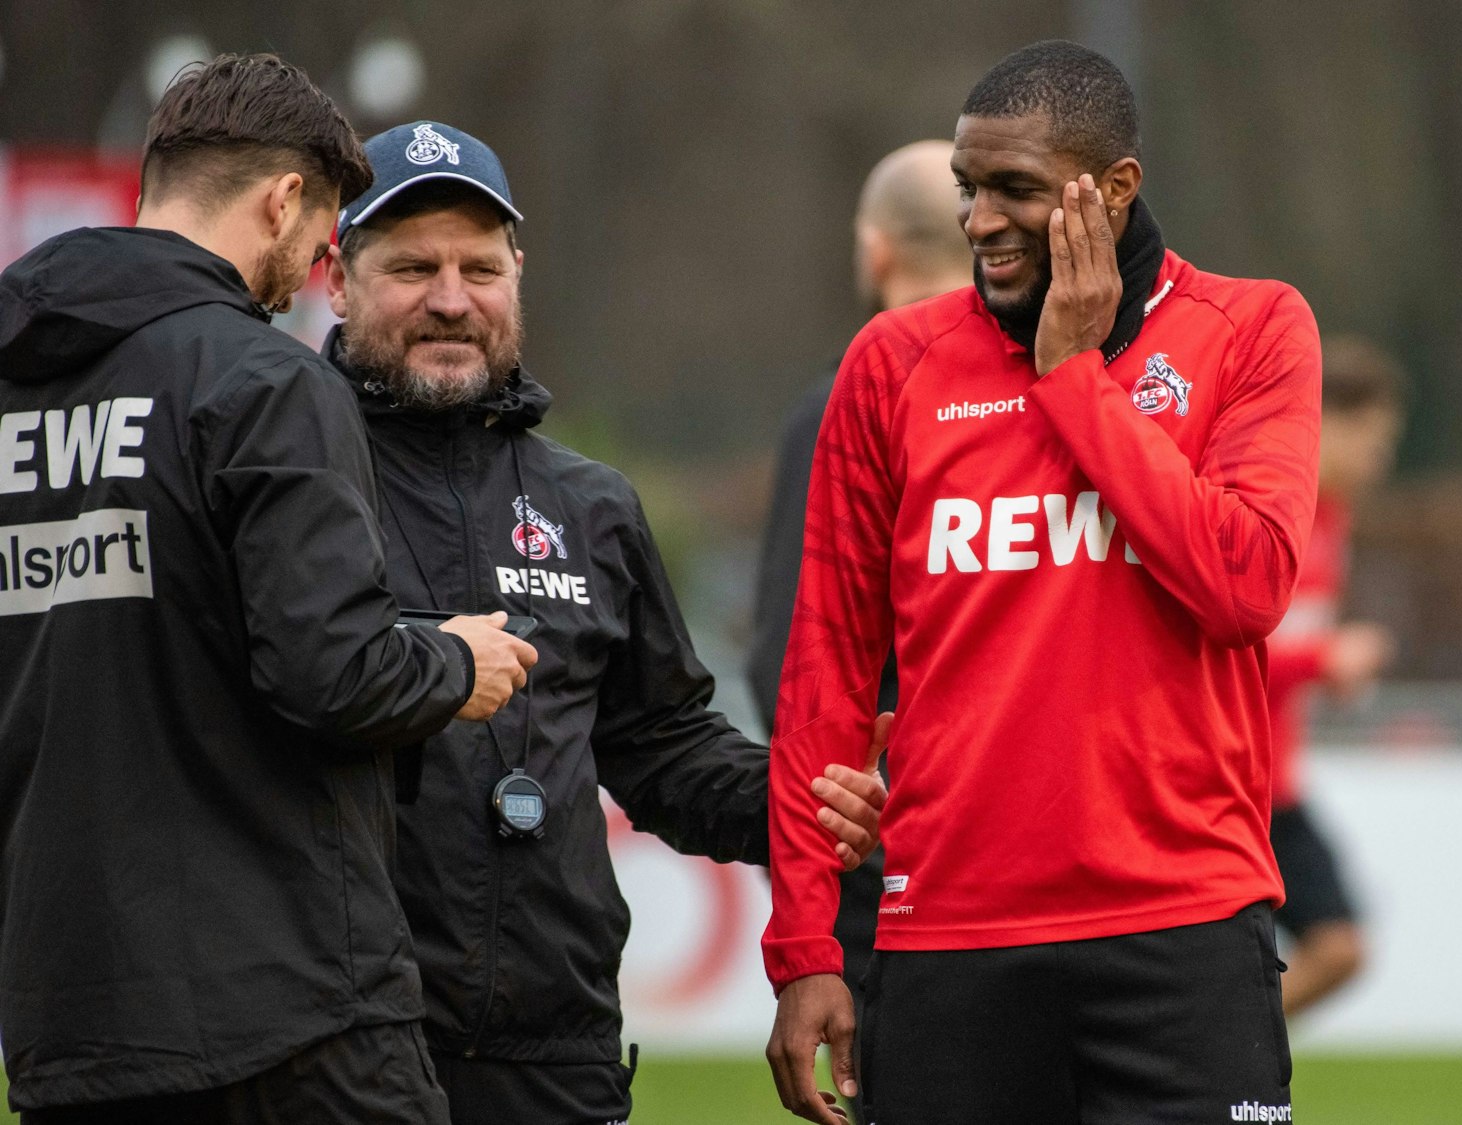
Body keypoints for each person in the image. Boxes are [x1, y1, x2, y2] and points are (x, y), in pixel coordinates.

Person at [764, 40, 1322, 1125]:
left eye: (1015, 190)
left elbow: (1244, 584)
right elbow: (822, 671)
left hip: (1185, 932)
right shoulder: (890, 364)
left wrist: (1074, 380)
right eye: (971, 191)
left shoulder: (1250, 331)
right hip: (946, 940)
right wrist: (803, 946)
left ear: (1114, 191)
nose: (977, 223)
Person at [0, 56, 537, 1125]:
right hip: (287, 1011)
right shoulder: (260, 378)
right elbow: (331, 674)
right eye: (326, 237)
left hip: (69, 1012)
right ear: (285, 199)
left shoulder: (16, 387)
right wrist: (453, 661)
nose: (311, 269)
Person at [322, 121, 887, 1125]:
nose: (451, 299)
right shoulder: (292, 483)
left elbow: (660, 747)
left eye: (478, 267)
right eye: (412, 267)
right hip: (341, 1048)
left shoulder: (589, 504)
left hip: (557, 1053)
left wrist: (808, 802)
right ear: (336, 278)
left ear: (517, 276)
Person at [748, 137, 972, 1033]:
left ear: (876, 250)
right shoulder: (1050, 393)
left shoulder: (847, 400)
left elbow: (789, 659)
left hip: (885, 868)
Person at [1264, 335, 1403, 1017]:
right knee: (1333, 948)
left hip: (1276, 783)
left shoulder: (1335, 517)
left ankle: (1215, 1059)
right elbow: (1225, 643)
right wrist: (1326, 657)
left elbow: (1289, 644)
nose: (1382, 461)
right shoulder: (1266, 505)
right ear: (1329, 423)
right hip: (1227, 784)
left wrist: (1326, 669)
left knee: (1341, 949)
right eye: (1375, 439)